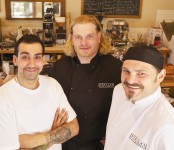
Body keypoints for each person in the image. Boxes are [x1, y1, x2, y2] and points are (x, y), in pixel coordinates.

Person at [49, 15, 122, 150]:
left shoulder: (116, 68)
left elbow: (128, 106)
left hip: (99, 144)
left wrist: (118, 133)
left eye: (89, 36)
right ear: (72, 39)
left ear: (99, 37)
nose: (83, 43)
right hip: (66, 143)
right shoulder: (59, 67)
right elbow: (48, 102)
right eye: (78, 37)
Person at [0, 34, 79, 150]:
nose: (31, 64)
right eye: (25, 57)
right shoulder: (3, 98)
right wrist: (55, 134)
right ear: (15, 60)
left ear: (43, 60)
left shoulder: (53, 85)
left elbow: (74, 127)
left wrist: (46, 137)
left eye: (37, 57)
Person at [104, 44, 174, 150]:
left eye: (141, 73)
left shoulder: (167, 126)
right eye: (126, 71)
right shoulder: (119, 91)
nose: (130, 81)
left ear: (160, 76)